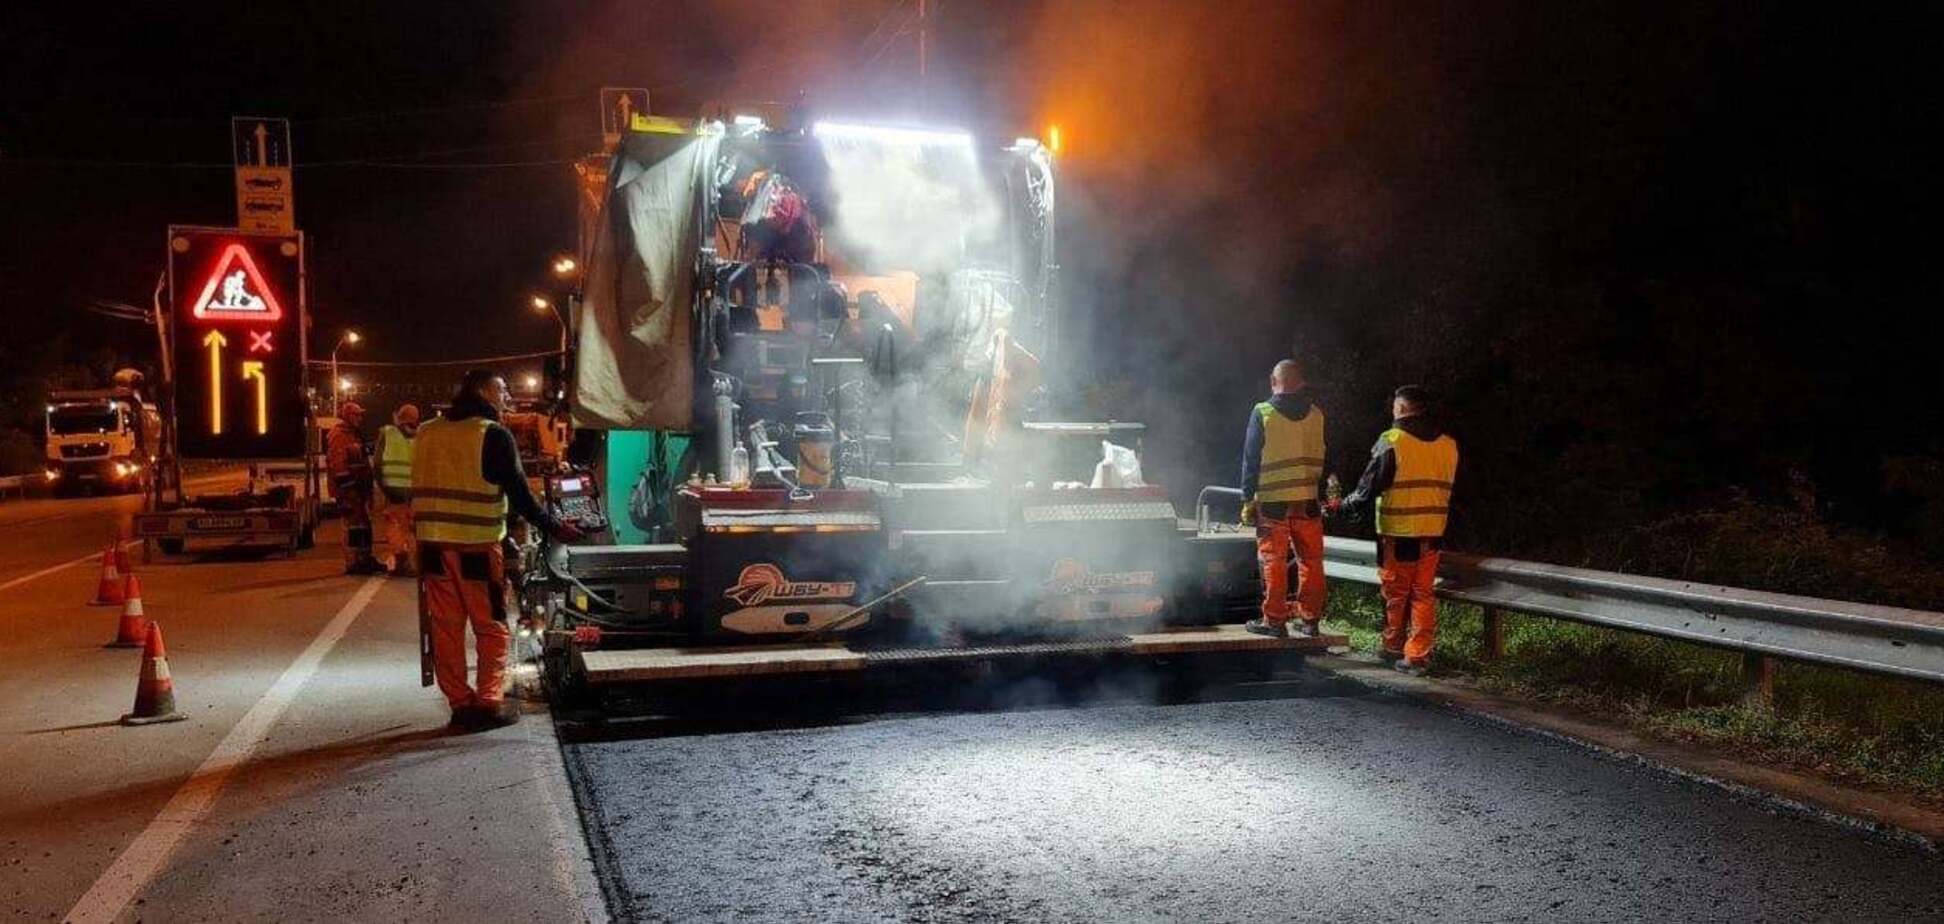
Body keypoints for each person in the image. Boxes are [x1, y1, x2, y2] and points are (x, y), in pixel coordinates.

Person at [413, 370, 581, 731]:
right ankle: (489, 702)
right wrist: (556, 527)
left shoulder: (427, 431)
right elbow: (520, 495)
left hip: (431, 547)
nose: (507, 397)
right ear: (483, 391)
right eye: (503, 390)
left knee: (446, 627)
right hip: (475, 546)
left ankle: (460, 704)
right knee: (491, 627)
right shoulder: (491, 434)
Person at [1340, 385, 1460, 675]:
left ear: (1403, 409)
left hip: (1399, 532)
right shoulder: (1448, 444)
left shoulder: (1393, 440)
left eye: (1395, 406)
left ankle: (1393, 646)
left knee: (1395, 592)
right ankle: (1417, 655)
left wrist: (1343, 507)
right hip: (1433, 533)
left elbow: (1368, 487)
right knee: (1423, 595)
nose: (1392, 410)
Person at [1240, 359, 1328, 639]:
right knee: (1311, 561)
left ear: (1273, 381)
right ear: (1301, 382)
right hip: (1309, 501)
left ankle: (1275, 621)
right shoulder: (1316, 414)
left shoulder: (1263, 412)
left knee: (1274, 561)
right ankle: (1310, 620)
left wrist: (1246, 497)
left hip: (1274, 502)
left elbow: (1251, 458)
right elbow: (1326, 455)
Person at [326, 402, 382, 575]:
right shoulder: (339, 435)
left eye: (360, 415)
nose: (360, 418)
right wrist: (348, 490)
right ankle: (354, 562)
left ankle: (363, 559)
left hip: (357, 489)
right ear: (348, 416)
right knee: (353, 527)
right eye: (356, 415)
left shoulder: (352, 435)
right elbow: (338, 464)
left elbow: (356, 457)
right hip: (349, 490)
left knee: (362, 526)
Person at [375, 404, 420, 576]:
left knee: (395, 526)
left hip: (392, 489)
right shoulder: (422, 436)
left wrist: (382, 486)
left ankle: (400, 560)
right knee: (411, 527)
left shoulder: (388, 433)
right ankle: (412, 562)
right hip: (414, 490)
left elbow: (378, 464)